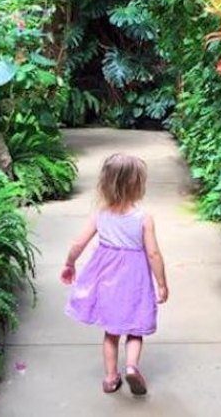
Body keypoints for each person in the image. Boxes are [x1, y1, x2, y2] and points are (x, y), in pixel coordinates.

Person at [61, 153, 169, 396]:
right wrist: (161, 284)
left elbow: (78, 243)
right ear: (138, 185)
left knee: (111, 332)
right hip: (135, 280)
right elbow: (153, 254)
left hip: (107, 280)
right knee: (135, 329)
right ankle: (131, 367)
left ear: (105, 184)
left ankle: (110, 378)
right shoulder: (143, 218)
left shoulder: (101, 215)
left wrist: (70, 263)